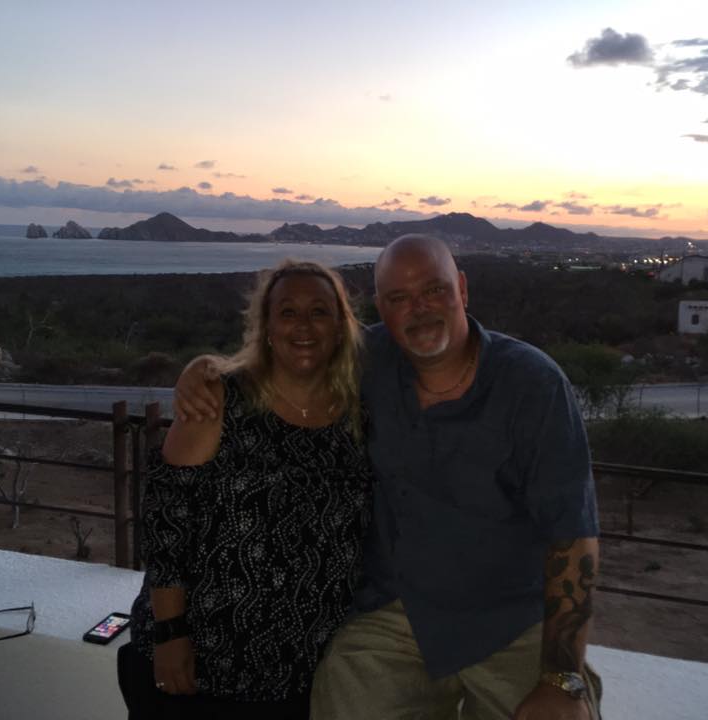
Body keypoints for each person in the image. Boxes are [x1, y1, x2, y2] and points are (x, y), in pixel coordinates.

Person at [175, 235, 601, 720]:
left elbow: (572, 535)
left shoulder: (533, 385)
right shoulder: (365, 360)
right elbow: (278, 360)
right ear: (381, 308)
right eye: (399, 298)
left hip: (511, 621)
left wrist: (562, 677)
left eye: (435, 291)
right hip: (398, 616)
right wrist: (204, 369)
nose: (419, 310)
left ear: (463, 289)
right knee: (343, 692)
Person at [118, 259, 373, 720]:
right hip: (199, 667)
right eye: (288, 312)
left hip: (297, 676)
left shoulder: (359, 416)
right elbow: (164, 519)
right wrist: (170, 633)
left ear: (340, 327)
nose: (304, 326)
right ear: (266, 327)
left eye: (319, 312)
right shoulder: (220, 399)